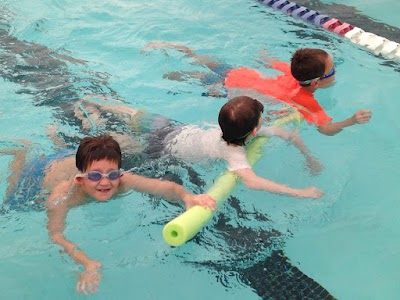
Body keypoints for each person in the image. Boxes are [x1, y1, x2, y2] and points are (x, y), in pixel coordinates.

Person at [1, 135, 216, 295]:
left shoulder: (122, 181)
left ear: (119, 174)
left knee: (82, 160)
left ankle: (57, 139)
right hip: (41, 173)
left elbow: (165, 187)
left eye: (112, 175)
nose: (105, 182)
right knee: (11, 201)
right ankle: (21, 152)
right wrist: (86, 262)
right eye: (96, 177)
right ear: (80, 180)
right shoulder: (63, 196)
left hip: (74, 160)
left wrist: (188, 197)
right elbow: (56, 235)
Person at [144, 43, 372, 136]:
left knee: (200, 61)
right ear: (315, 83)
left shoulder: (291, 70)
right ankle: (164, 73)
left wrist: (263, 56)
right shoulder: (305, 100)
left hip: (239, 73)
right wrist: (350, 120)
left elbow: (271, 62)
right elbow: (325, 128)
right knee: (187, 79)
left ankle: (169, 48)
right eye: (332, 71)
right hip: (228, 89)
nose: (336, 74)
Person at [152, 96, 324, 199]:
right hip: (164, 149)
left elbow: (284, 133)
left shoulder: (236, 130)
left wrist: (309, 158)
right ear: (255, 130)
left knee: (140, 119)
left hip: (181, 131)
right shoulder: (233, 152)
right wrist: (300, 192)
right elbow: (252, 181)